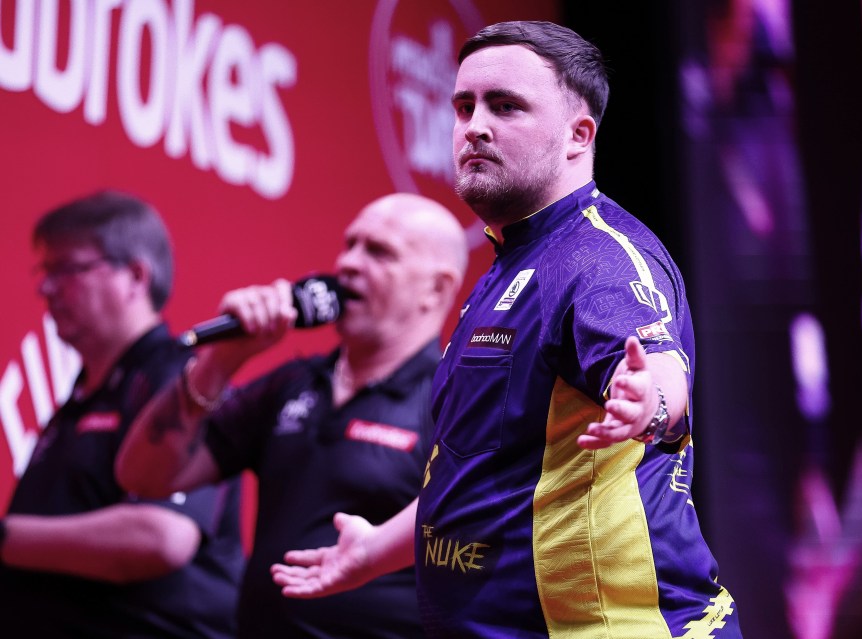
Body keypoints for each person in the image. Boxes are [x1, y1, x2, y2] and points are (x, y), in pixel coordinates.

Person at [271, 20, 744, 638]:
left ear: (579, 135)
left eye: (505, 106)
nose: (475, 127)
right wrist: (375, 550)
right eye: (464, 106)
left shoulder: (597, 257)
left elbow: (658, 368)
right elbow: (488, 480)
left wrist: (649, 401)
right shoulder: (509, 267)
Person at [115, 192, 469, 638]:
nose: (348, 264)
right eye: (350, 244)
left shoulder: (454, 398)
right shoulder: (293, 384)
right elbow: (144, 476)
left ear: (436, 287)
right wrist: (221, 361)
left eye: (379, 252)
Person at [0, 190, 244, 638]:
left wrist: (4, 539)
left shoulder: (183, 384)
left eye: (66, 269)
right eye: (44, 271)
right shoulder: (84, 395)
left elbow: (159, 537)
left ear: (134, 276)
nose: (45, 287)